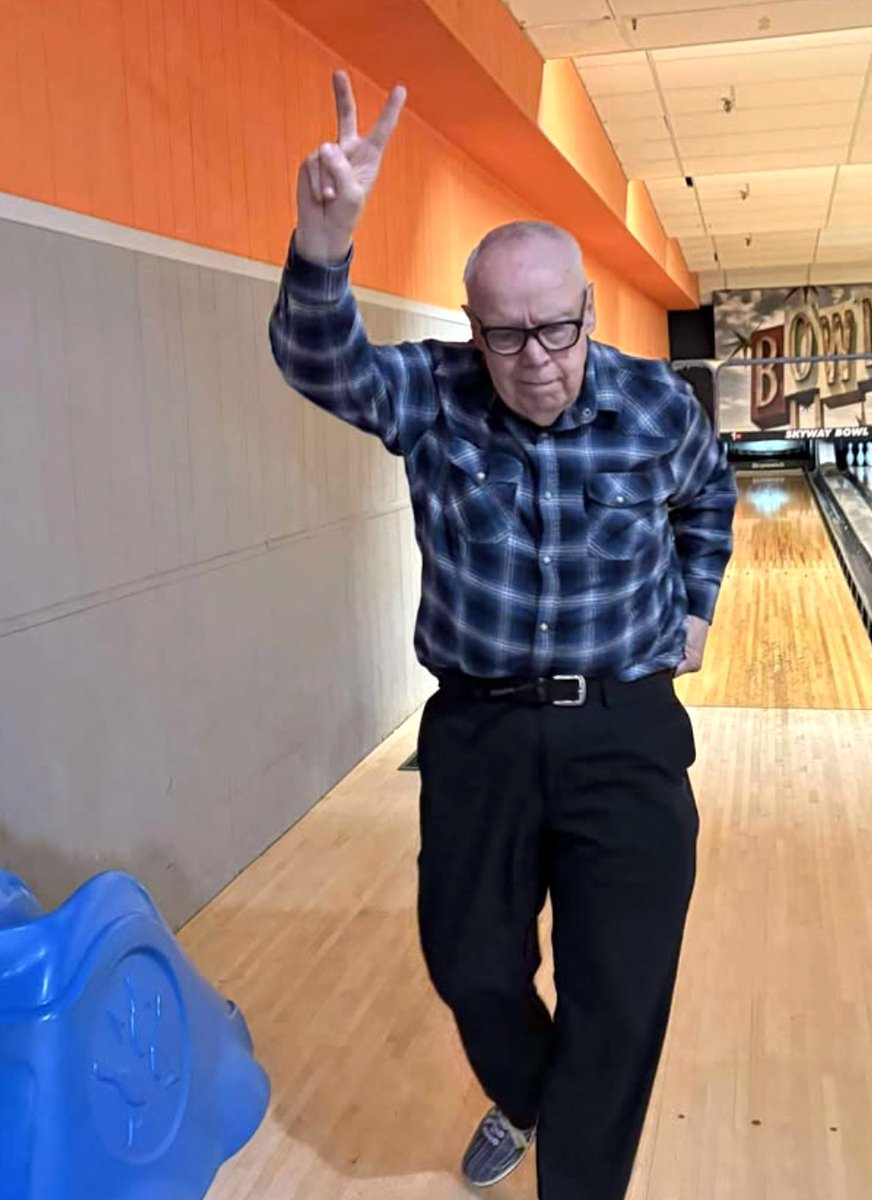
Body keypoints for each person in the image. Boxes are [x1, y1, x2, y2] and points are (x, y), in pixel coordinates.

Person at [269, 70, 737, 1200]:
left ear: (588, 311)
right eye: (507, 335)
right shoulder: (436, 395)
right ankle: (531, 1095)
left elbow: (709, 496)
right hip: (478, 734)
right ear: (472, 329)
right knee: (469, 961)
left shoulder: (656, 407)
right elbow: (320, 363)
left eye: (558, 330)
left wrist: (695, 603)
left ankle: (577, 1173)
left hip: (625, 731)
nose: (537, 358)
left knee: (620, 992)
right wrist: (323, 243)